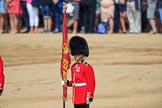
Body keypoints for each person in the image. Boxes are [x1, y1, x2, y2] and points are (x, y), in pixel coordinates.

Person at [67, 36, 96, 108]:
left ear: (83, 54)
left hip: (83, 96)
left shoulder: (87, 67)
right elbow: (75, 81)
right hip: (76, 96)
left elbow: (91, 83)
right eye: (75, 54)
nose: (76, 56)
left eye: (78, 54)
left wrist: (89, 95)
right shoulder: (73, 67)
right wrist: (67, 83)